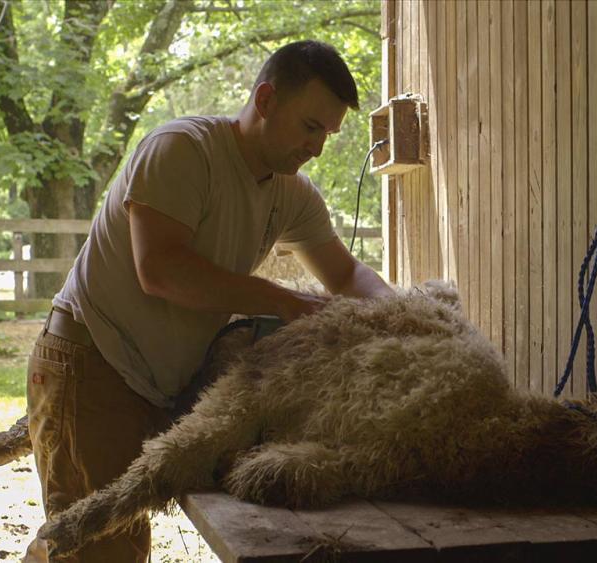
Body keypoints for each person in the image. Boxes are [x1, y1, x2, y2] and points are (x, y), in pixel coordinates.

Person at [23, 40, 394, 562]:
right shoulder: (182, 150)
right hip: (93, 361)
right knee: (99, 548)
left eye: (328, 135)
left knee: (92, 543)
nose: (318, 148)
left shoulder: (292, 192)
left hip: (162, 381)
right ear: (265, 100)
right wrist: (284, 301)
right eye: (311, 127)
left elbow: (346, 272)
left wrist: (400, 313)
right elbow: (160, 270)